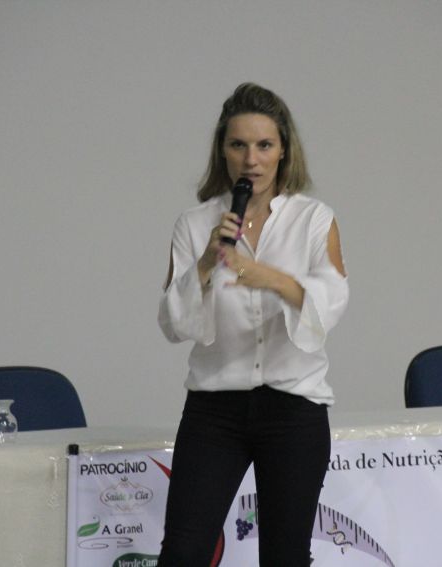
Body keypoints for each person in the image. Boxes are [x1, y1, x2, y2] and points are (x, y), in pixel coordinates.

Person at [157, 82, 349, 567]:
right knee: (182, 552)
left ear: (284, 150)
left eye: (264, 145)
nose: (251, 160)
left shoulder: (313, 219)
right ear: (222, 150)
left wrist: (272, 279)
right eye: (238, 145)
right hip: (215, 411)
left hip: (294, 409)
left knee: (286, 557)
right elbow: (172, 323)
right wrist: (205, 263)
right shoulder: (195, 224)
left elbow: (331, 303)